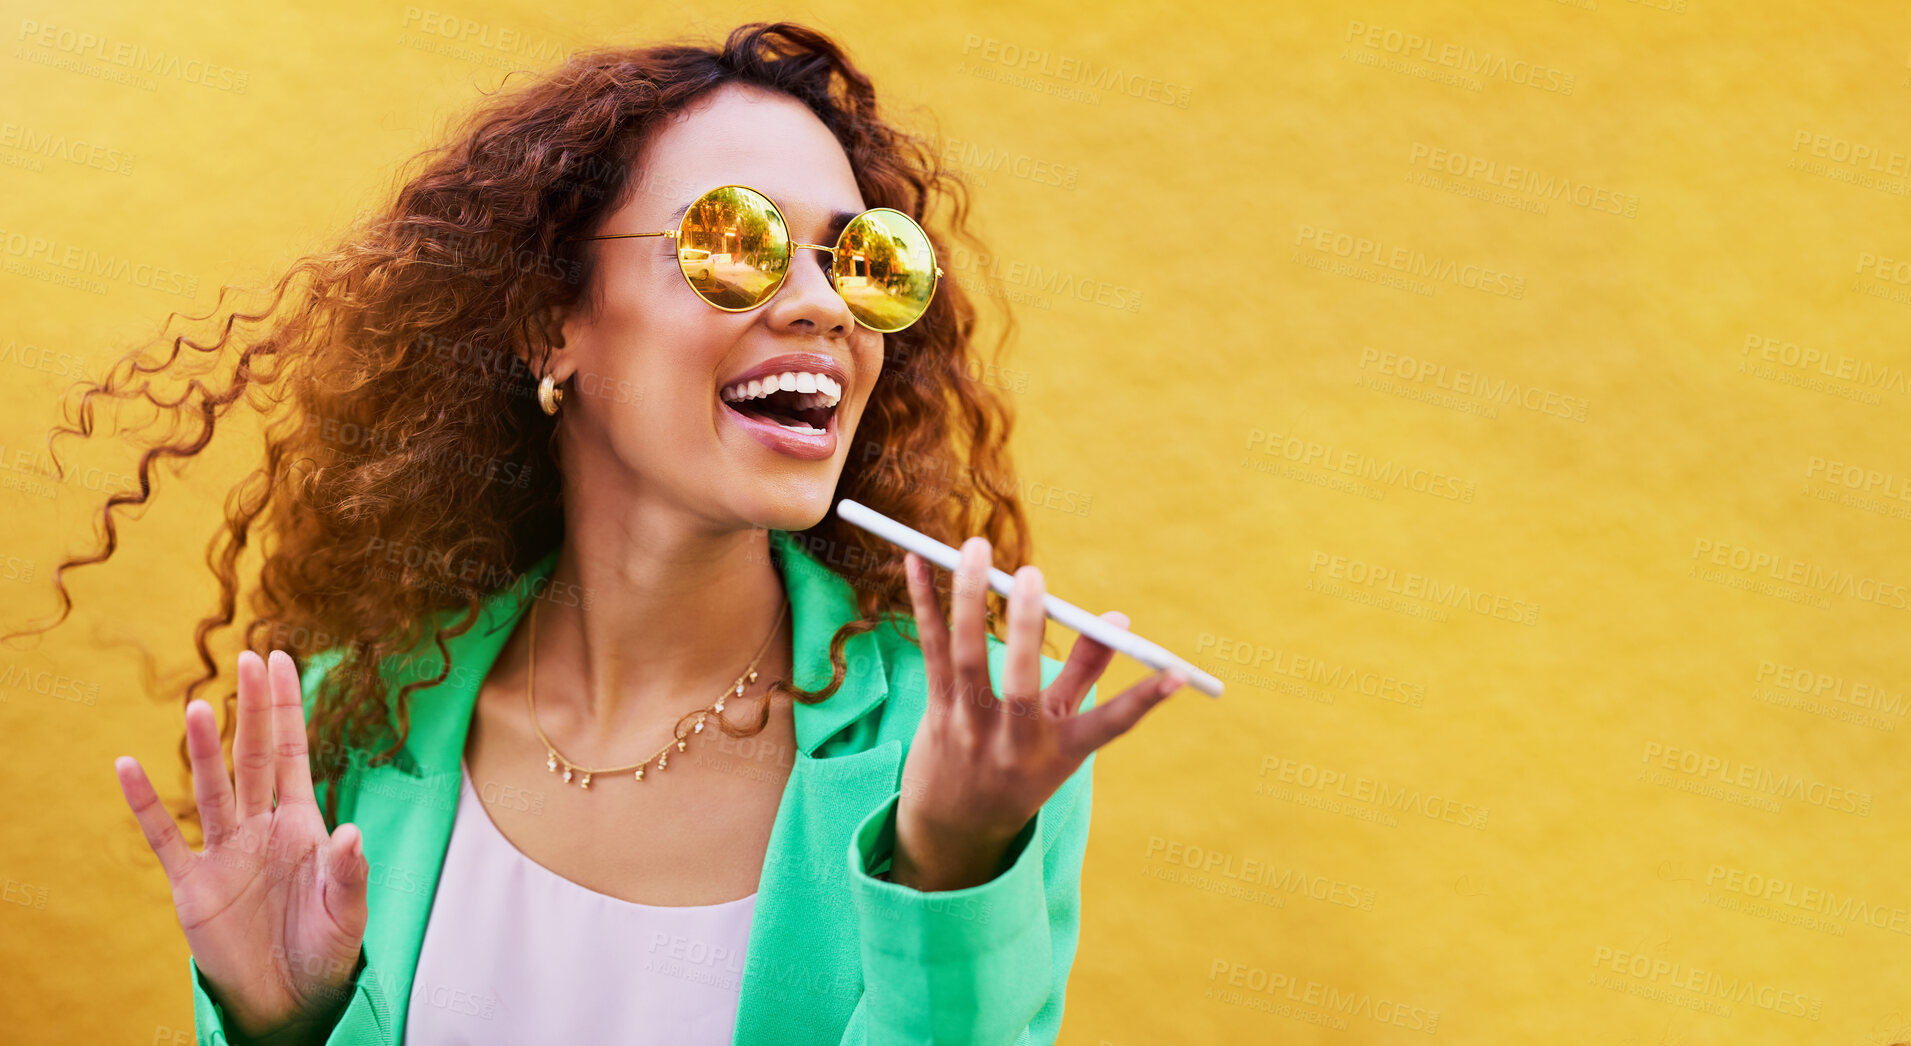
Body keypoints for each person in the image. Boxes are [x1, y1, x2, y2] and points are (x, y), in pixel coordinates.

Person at [71, 20, 1185, 1046]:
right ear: (553, 324)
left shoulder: (973, 738)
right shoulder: (352, 720)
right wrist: (281, 1026)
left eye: (864, 262)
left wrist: (948, 872)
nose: (826, 307)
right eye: (734, 242)